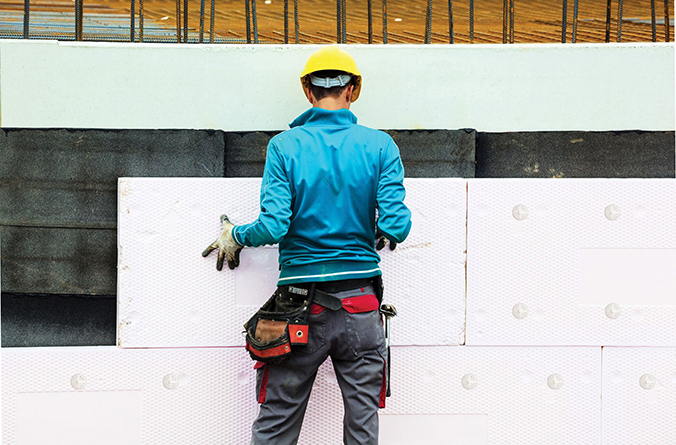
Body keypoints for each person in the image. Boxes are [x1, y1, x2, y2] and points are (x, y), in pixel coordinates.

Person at [202, 45, 412, 445]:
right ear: (353, 90)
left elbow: (275, 225)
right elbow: (397, 227)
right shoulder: (381, 146)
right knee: (363, 426)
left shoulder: (285, 147)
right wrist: (375, 223)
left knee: (277, 423)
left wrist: (235, 236)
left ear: (307, 91)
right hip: (362, 306)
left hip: (301, 309)